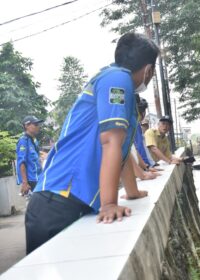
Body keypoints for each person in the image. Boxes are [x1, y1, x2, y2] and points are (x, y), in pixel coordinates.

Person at [24, 32, 160, 254]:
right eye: (152, 72)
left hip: (72, 202)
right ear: (148, 70)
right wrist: (109, 204)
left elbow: (121, 151)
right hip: (58, 200)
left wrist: (132, 191)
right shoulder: (116, 79)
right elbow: (110, 142)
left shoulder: (119, 84)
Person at [16, 116, 44, 195]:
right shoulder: (23, 141)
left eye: (38, 124)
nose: (38, 126)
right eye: (35, 124)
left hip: (38, 178)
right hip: (31, 180)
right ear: (26, 126)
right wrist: (25, 183)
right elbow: (21, 162)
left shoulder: (34, 141)